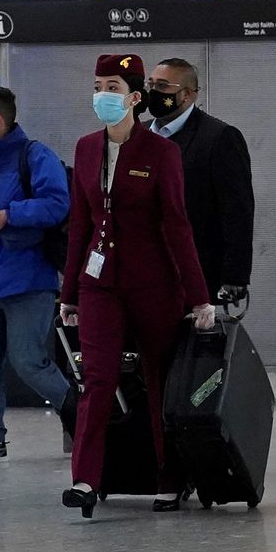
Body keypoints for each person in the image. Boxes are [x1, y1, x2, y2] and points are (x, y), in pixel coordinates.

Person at [59, 53, 215, 519]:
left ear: (133, 98)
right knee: (98, 379)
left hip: (153, 284)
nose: (102, 95)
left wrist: (199, 296)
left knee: (158, 381)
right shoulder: (86, 148)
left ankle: (170, 477)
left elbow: (178, 227)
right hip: (98, 284)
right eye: (98, 85)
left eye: (112, 87)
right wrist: (68, 294)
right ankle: (86, 478)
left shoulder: (160, 152)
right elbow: (80, 226)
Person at [0, 85, 77, 464]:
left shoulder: (35, 156)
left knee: (29, 362)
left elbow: (58, 203)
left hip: (26, 280)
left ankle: (80, 416)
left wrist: (11, 215)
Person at [145, 58, 255, 305]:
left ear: (187, 95)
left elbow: (237, 211)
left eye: (162, 86)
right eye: (150, 84)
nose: (152, 93)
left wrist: (235, 276)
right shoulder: (136, 135)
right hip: (142, 270)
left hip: (197, 271)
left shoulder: (218, 138)